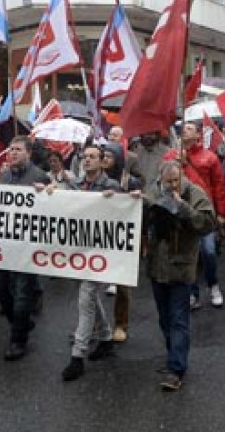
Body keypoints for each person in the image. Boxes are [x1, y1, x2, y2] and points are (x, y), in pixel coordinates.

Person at [144, 160, 216, 392]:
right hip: (157, 266)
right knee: (165, 318)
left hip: (181, 267)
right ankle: (173, 357)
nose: (173, 186)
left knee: (178, 319)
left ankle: (176, 369)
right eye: (168, 182)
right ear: (161, 180)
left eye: (177, 181)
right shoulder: (154, 191)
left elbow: (207, 224)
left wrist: (184, 208)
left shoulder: (194, 193)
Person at [62, 144, 133, 381]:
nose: (87, 160)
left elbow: (124, 212)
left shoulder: (110, 186)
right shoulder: (75, 185)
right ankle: (105, 337)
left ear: (102, 162)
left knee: (86, 299)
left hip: (100, 254)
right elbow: (59, 199)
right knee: (89, 297)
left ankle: (77, 355)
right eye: (85, 157)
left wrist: (121, 198)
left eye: (93, 157)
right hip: (78, 251)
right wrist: (48, 190)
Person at [0, 136, 50, 361]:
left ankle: (18, 341)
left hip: (27, 246)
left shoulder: (39, 177)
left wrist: (46, 191)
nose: (12, 153)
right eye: (10, 149)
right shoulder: (4, 176)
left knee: (23, 293)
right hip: (5, 243)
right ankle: (22, 322)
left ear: (28, 153)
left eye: (17, 149)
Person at [179, 122, 225, 309]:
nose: (184, 130)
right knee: (190, 255)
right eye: (183, 128)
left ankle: (213, 284)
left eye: (189, 128)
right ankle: (192, 293)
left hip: (205, 213)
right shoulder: (174, 156)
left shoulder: (210, 157)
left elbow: (218, 186)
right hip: (184, 214)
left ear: (199, 134)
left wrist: (221, 213)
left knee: (209, 251)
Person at [101, 143, 140, 343]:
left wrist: (130, 194)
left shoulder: (130, 181)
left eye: (110, 156)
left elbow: (138, 207)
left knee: (122, 287)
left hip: (121, 239)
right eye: (103, 155)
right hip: (99, 238)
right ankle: (93, 326)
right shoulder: (97, 181)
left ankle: (121, 324)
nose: (105, 159)